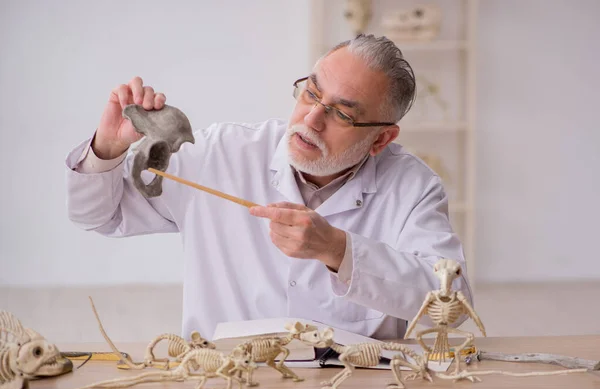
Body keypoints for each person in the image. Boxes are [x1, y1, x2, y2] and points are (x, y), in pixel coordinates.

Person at [65, 34, 473, 341]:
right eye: (311, 93)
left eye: (340, 114)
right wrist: (106, 148)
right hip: (222, 379)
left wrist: (338, 249)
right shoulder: (221, 153)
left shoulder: (413, 186)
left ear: (382, 139)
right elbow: (99, 216)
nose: (311, 119)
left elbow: (453, 305)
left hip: (354, 384)